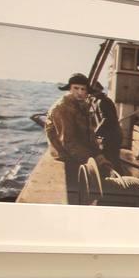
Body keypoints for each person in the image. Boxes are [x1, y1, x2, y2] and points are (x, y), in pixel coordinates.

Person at [44, 73, 105, 205]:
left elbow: (89, 134)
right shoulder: (62, 108)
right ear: (70, 89)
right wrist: (93, 159)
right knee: (77, 194)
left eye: (83, 89)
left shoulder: (81, 105)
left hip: (78, 150)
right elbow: (68, 142)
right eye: (76, 88)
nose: (79, 93)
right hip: (64, 153)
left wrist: (98, 154)